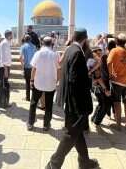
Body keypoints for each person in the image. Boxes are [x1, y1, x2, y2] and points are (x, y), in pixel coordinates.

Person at [46, 28, 99, 169]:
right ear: (85, 39)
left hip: (69, 99)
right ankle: (54, 164)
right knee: (71, 134)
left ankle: (84, 162)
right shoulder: (77, 52)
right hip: (76, 102)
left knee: (77, 132)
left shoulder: (69, 49)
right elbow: (75, 80)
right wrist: (87, 78)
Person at [27, 36, 59, 131]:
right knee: (49, 105)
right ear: (51, 44)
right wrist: (57, 80)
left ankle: (30, 123)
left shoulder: (38, 53)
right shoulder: (55, 54)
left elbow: (34, 68)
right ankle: (46, 125)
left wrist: (31, 80)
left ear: (42, 43)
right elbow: (59, 69)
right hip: (50, 83)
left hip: (38, 83)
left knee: (33, 103)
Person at [90, 41, 116, 126]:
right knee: (105, 104)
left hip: (98, 86)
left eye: (100, 51)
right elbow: (98, 78)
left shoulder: (96, 62)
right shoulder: (96, 62)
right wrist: (105, 89)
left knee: (102, 103)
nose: (99, 52)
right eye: (97, 51)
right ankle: (97, 121)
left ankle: (94, 118)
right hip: (98, 86)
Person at [0, 30, 12, 112]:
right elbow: (4, 57)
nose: (12, 36)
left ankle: (4, 103)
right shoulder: (5, 43)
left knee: (5, 86)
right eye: (11, 35)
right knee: (2, 86)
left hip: (4, 67)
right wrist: (5, 69)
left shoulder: (5, 43)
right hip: (4, 67)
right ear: (9, 35)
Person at [20, 34, 37, 101]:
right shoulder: (34, 46)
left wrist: (22, 66)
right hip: (33, 67)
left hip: (26, 67)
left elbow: (20, 58)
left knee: (27, 83)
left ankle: (27, 97)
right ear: (30, 39)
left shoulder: (23, 46)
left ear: (25, 39)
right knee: (33, 82)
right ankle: (34, 98)